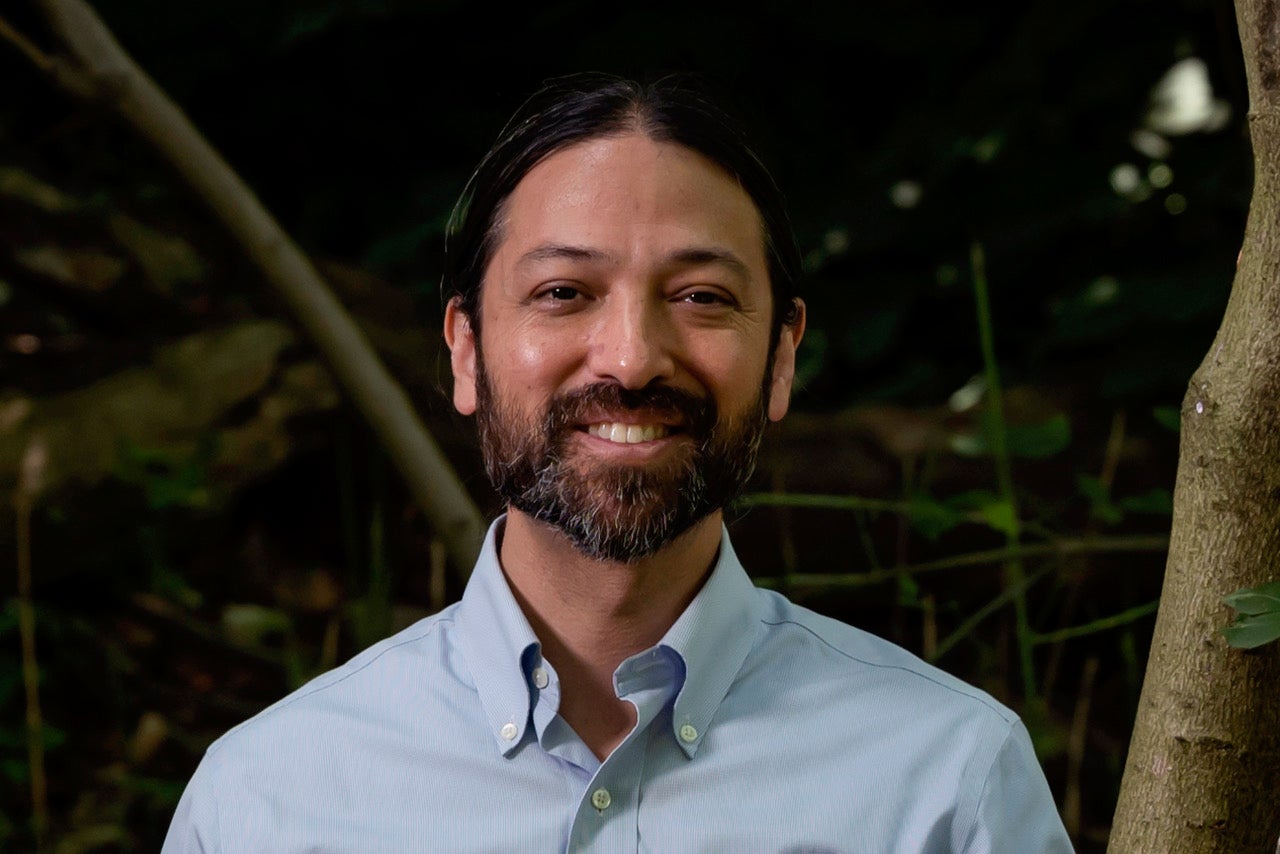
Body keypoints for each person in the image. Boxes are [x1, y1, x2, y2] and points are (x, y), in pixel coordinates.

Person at [163, 74, 1074, 852]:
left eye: (701, 296)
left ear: (783, 356)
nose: (632, 358)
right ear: (466, 351)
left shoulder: (950, 784)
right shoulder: (266, 803)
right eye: (564, 292)